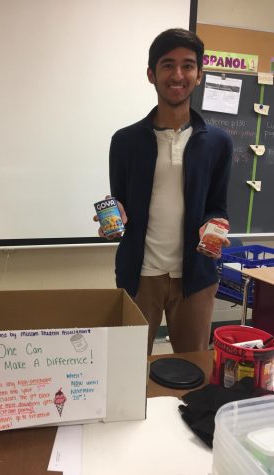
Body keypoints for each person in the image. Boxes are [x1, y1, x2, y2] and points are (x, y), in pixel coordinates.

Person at [95, 28, 232, 355]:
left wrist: (217, 226)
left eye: (188, 65)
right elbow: (120, 203)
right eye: (168, 65)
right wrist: (114, 222)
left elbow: (218, 207)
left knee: (193, 369)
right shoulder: (125, 141)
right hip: (140, 275)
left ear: (199, 75)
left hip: (195, 277)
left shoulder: (217, 142)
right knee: (128, 369)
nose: (178, 74)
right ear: (151, 74)